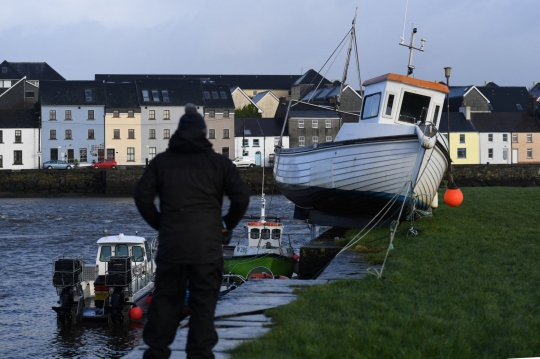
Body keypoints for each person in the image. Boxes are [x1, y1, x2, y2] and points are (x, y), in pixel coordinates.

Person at [134, 103, 250, 359]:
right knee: (204, 302)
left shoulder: (161, 163)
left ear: (178, 133)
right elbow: (241, 198)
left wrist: (161, 223)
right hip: (207, 247)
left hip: (172, 246)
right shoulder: (219, 164)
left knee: (165, 301)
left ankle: (156, 351)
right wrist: (226, 225)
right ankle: (199, 352)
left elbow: (142, 197)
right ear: (203, 133)